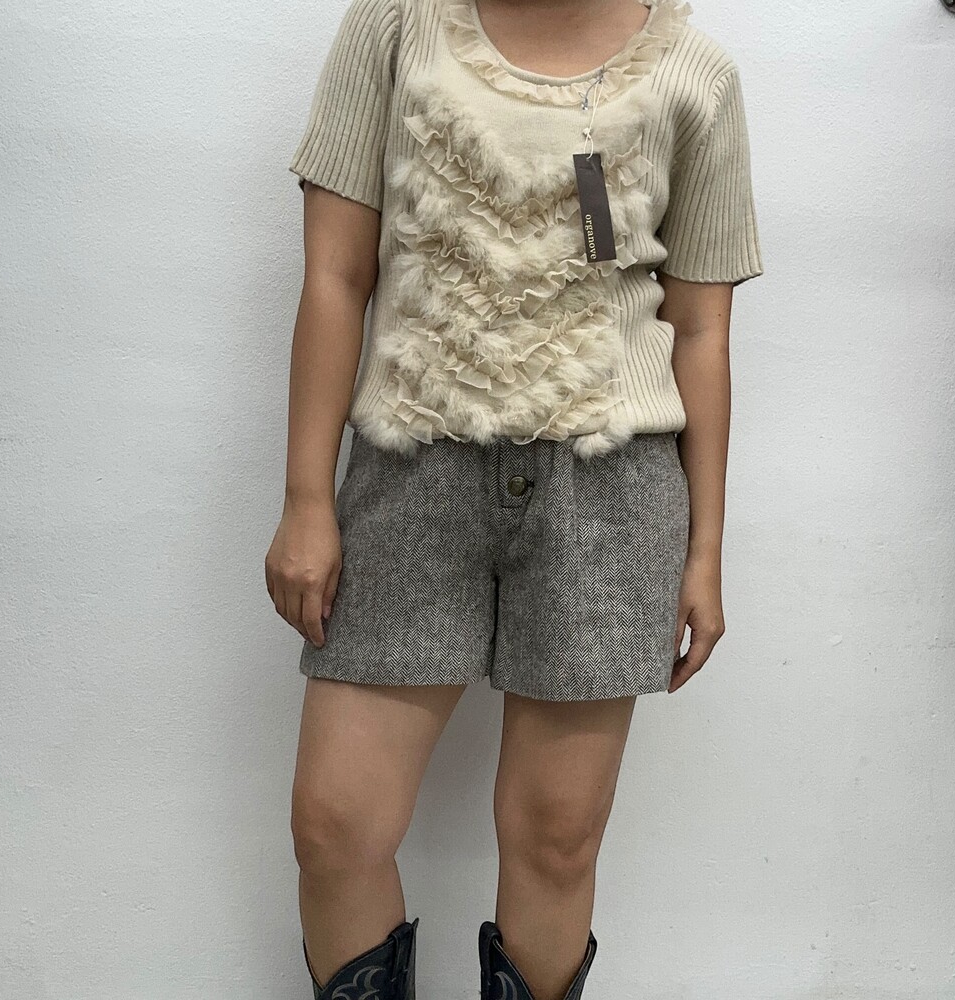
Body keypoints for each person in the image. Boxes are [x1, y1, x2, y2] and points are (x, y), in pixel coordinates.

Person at [265, 0, 764, 996]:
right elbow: (335, 276)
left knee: (557, 838)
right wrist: (305, 497)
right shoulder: (397, 24)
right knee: (335, 825)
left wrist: (706, 550)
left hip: (609, 492)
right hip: (412, 468)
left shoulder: (695, 72)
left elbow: (701, 332)